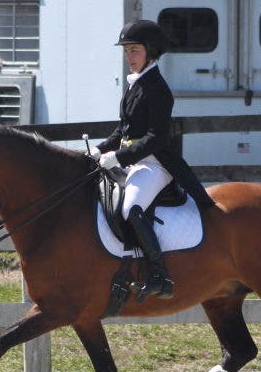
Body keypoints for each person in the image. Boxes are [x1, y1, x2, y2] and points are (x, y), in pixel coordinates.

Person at [91, 19, 213, 302]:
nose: (128, 57)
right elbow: (123, 130)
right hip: (135, 162)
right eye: (126, 51)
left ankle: (160, 275)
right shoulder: (136, 85)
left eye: (134, 51)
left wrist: (119, 157)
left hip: (155, 164)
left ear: (150, 52)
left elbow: (155, 138)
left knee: (131, 208)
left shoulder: (158, 88)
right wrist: (99, 151)